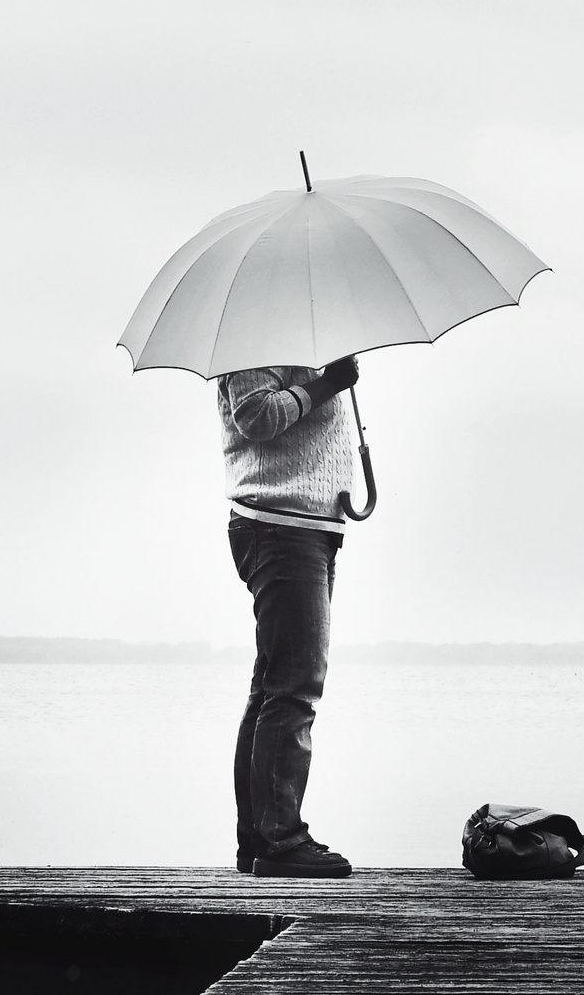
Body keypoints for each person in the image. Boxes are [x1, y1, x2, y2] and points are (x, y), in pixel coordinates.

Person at [218, 355, 360, 878]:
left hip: (306, 525)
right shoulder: (256, 341)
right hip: (279, 524)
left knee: (275, 687)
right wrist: (328, 385)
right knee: (295, 686)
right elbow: (255, 416)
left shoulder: (303, 341)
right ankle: (280, 839)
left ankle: (259, 840)